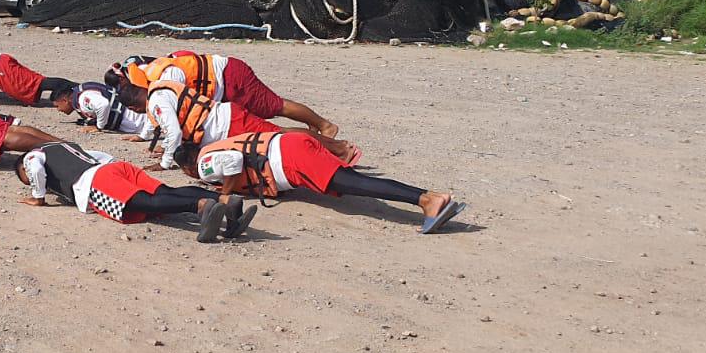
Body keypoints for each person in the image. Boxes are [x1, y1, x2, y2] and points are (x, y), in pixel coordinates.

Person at [173, 131, 465, 234]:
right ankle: (427, 199)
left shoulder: (203, 163)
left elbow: (234, 164)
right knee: (351, 182)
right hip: (290, 145)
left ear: (188, 167)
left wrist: (224, 195)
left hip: (288, 157)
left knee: (355, 183)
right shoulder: (214, 146)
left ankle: (428, 200)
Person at [17, 141, 255, 243]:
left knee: (145, 203)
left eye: (23, 178)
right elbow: (98, 155)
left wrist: (38, 197)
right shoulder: (62, 145)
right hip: (112, 167)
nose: (28, 179)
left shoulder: (32, 156)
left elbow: (35, 168)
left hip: (93, 181)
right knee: (166, 191)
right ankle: (223, 199)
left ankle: (200, 207)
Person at [122, 80, 359, 171]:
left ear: (134, 108)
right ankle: (334, 149)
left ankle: (340, 149)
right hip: (225, 117)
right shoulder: (160, 86)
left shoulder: (156, 103)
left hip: (227, 125)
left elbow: (173, 131)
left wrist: (165, 164)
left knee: (280, 136)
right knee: (278, 136)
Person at [113, 51, 338, 136]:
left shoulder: (167, 78)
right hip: (222, 88)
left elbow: (183, 106)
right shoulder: (149, 72)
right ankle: (312, 131)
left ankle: (324, 125)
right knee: (258, 125)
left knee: (273, 106)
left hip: (230, 78)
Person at [53, 81, 151, 136]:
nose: (58, 110)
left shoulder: (83, 99)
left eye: (57, 106)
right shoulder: (80, 92)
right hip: (134, 117)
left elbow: (103, 104)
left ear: (64, 100)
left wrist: (99, 127)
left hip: (134, 120)